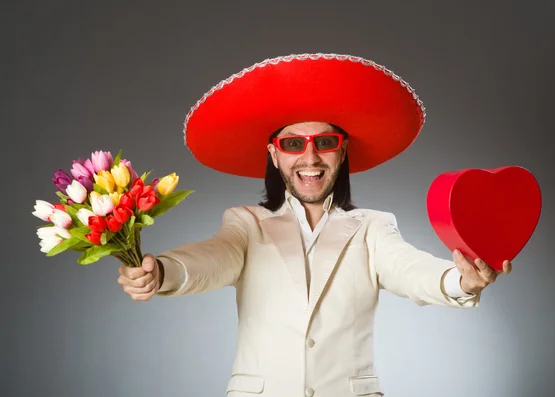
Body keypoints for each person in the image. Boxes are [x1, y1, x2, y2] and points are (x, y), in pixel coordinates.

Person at [117, 53, 512, 397]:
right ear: (274, 156)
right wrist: (163, 272)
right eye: (293, 144)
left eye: (324, 143)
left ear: (342, 153)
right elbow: (210, 259)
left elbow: (411, 270)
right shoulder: (245, 225)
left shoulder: (373, 227)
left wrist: (462, 281)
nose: (310, 158)